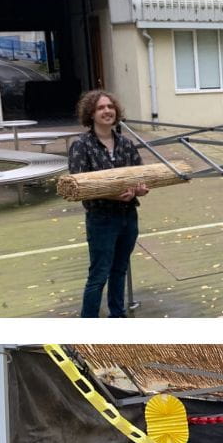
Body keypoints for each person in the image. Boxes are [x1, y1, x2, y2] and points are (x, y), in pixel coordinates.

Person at [70, 89, 148, 317]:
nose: (107, 111)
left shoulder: (126, 144)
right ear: (91, 114)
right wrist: (112, 195)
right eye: (101, 108)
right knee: (99, 275)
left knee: (119, 270)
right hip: (102, 220)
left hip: (128, 216)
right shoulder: (82, 146)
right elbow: (78, 186)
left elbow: (140, 176)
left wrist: (141, 190)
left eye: (110, 107)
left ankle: (117, 315)